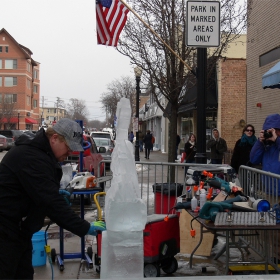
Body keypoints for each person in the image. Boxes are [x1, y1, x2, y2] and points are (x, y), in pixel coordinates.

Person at [0, 118, 106, 279]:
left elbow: (37, 191)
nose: (69, 153)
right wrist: (85, 227)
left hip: (18, 231)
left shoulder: (40, 154)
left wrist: (55, 193)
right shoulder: (32, 156)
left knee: (23, 274)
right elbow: (51, 203)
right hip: (5, 232)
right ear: (54, 138)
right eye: (68, 148)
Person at [250, 113, 280, 195]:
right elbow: (253, 159)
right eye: (268, 130)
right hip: (268, 191)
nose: (270, 133)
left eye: (273, 130)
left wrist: (277, 140)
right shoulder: (265, 145)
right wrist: (260, 142)